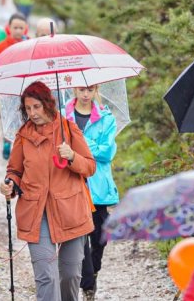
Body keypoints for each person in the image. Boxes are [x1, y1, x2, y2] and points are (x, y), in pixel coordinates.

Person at [0, 81, 96, 301]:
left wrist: (72, 156)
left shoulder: (69, 130)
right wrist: (10, 184)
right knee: (46, 276)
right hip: (36, 211)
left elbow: (90, 167)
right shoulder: (23, 136)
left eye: (36, 107)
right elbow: (14, 170)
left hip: (70, 210)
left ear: (48, 105)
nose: (32, 113)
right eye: (28, 108)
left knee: (70, 275)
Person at [63, 85, 118, 301]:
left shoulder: (106, 118)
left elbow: (107, 152)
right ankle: (87, 285)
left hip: (99, 188)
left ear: (96, 90)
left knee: (100, 237)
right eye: (81, 89)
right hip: (73, 184)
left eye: (90, 89)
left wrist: (79, 144)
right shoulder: (61, 116)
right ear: (74, 90)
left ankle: (92, 273)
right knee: (79, 236)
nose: (85, 94)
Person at [0, 13, 29, 160]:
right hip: (8, 89)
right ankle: (7, 142)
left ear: (25, 29)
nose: (18, 31)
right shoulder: (2, 47)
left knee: (25, 118)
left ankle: (24, 146)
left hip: (26, 89)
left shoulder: (29, 44)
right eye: (15, 27)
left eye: (21, 28)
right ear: (9, 28)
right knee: (9, 118)